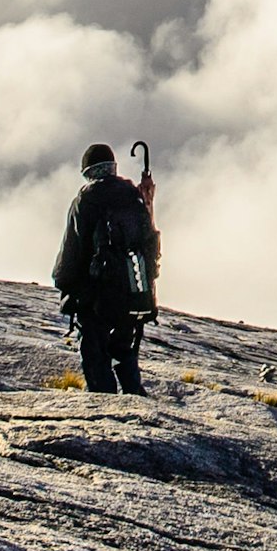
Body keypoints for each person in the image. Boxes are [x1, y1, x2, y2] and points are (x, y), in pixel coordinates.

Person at [50, 141, 158, 393]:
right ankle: (135, 397)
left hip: (96, 295)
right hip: (131, 293)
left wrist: (64, 283)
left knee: (95, 352)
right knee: (123, 347)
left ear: (88, 171)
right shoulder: (133, 195)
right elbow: (149, 241)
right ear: (112, 167)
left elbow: (73, 250)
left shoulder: (86, 200)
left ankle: (105, 404)